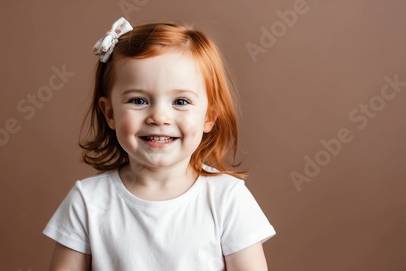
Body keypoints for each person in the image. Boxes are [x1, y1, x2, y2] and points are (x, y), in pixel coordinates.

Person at [43, 17, 276, 271]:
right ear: (110, 114)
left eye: (181, 102)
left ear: (209, 116)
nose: (159, 117)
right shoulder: (88, 201)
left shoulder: (227, 199)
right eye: (139, 101)